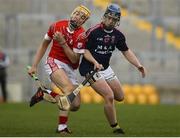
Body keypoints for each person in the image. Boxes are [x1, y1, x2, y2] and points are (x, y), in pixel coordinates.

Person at [79, 3, 146, 134]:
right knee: (109, 96)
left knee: (120, 97)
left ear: (117, 21)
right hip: (89, 68)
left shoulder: (118, 35)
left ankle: (105, 98)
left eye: (114, 19)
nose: (110, 21)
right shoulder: (93, 31)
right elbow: (84, 51)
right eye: (109, 17)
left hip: (105, 68)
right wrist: (94, 62)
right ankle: (115, 127)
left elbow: (126, 51)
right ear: (104, 17)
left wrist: (138, 65)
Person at [27, 5, 91, 134]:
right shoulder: (56, 26)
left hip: (70, 68)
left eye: (82, 17)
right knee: (68, 90)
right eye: (77, 14)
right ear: (72, 14)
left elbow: (74, 60)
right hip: (54, 61)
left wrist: (63, 43)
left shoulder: (81, 36)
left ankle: (45, 94)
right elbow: (44, 44)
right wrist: (34, 65)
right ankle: (62, 127)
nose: (78, 17)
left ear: (83, 22)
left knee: (75, 105)